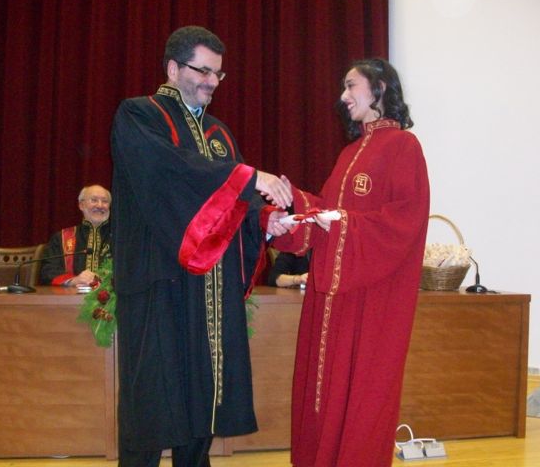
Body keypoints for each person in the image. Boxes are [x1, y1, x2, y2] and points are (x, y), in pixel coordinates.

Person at [109, 26, 291, 467]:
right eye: (203, 71)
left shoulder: (219, 133)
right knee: (151, 399)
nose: (212, 82)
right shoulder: (139, 114)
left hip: (210, 290)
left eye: (218, 74)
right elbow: (170, 172)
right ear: (173, 69)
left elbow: (235, 205)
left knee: (202, 398)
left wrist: (265, 221)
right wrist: (249, 177)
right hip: (158, 282)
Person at [273, 58, 430, 466]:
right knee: (324, 386)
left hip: (373, 298)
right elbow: (329, 212)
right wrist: (294, 205)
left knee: (363, 390)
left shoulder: (404, 146)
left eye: (350, 85)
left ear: (379, 88)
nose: (343, 96)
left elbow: (405, 220)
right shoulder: (349, 154)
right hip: (334, 298)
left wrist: (342, 224)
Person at [39, 184, 112, 286]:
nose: (100, 205)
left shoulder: (121, 238)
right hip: (71, 294)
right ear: (81, 205)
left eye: (105, 201)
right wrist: (74, 280)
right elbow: (48, 270)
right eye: (94, 200)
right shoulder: (61, 238)